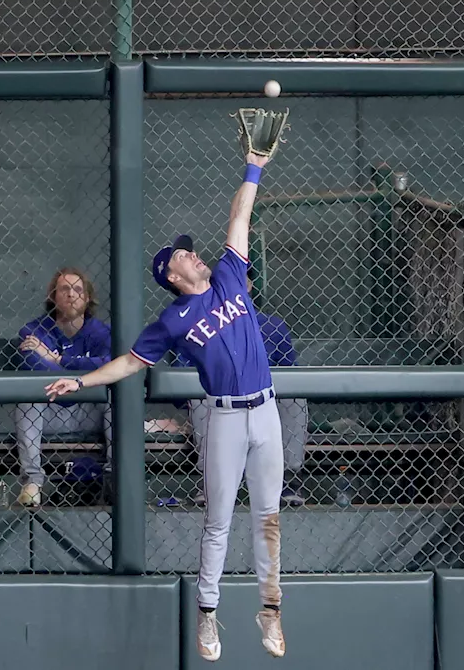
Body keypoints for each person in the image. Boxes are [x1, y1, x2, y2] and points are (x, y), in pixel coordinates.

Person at [43, 145, 285, 662]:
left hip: (266, 410)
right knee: (218, 519)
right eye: (182, 254)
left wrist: (254, 167)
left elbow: (240, 214)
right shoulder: (172, 321)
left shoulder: (227, 277)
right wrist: (80, 383)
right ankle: (207, 614)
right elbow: (131, 363)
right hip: (223, 416)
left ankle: (270, 610)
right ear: (172, 276)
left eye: (190, 250)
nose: (192, 254)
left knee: (268, 515)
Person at [185, 268, 308, 507]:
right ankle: (208, 481)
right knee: (199, 397)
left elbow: (293, 376)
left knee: (295, 399)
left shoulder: (272, 326)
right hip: (220, 404)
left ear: (249, 286)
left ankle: (288, 480)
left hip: (264, 404)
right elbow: (182, 378)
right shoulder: (200, 325)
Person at [13, 268, 112, 507]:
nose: (71, 294)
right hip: (48, 412)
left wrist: (57, 360)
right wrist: (87, 373)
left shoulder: (101, 333)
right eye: (64, 289)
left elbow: (111, 364)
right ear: (53, 296)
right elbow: (34, 369)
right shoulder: (33, 330)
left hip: (89, 412)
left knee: (115, 396)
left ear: (87, 298)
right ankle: (33, 481)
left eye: (78, 289)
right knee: (28, 398)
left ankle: (113, 476)